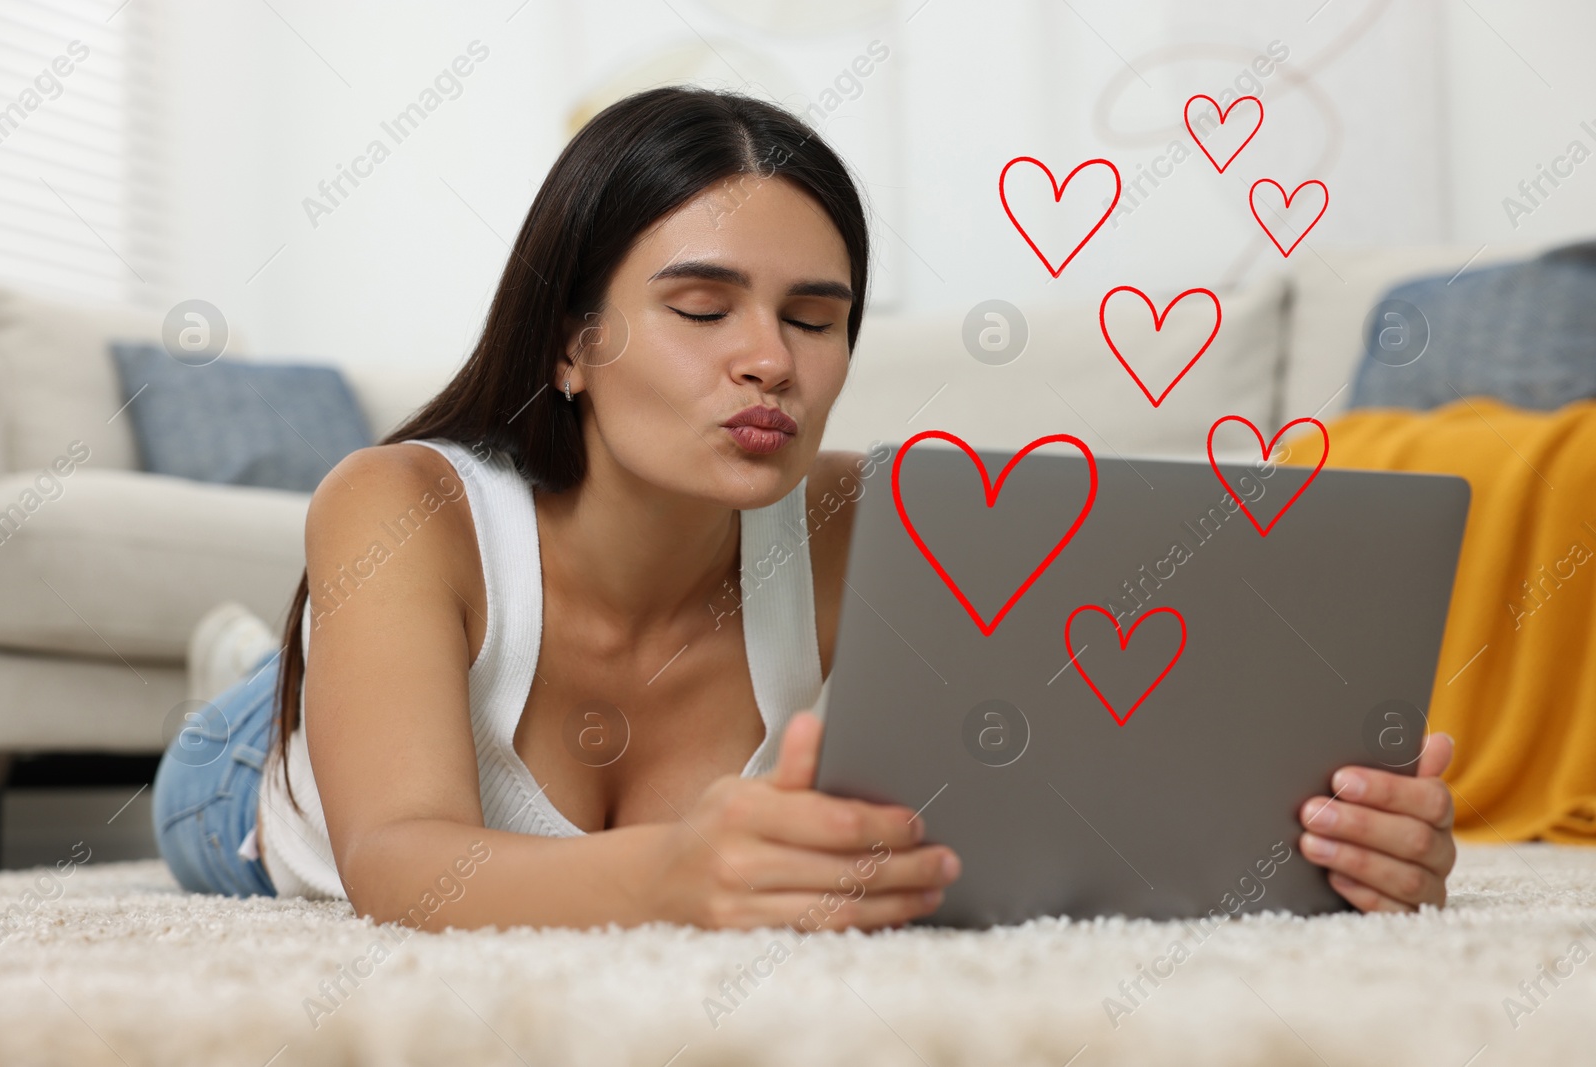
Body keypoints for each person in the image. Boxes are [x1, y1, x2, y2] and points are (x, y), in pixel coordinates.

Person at [152, 86, 1457, 930]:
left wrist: (1327, 842)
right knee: (249, 743)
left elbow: (1069, 789)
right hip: (245, 785)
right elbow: (396, 865)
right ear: (569, 341)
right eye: (703, 309)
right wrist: (667, 878)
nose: (770, 359)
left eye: (814, 318)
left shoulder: (875, 522)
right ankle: (272, 669)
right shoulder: (400, 505)